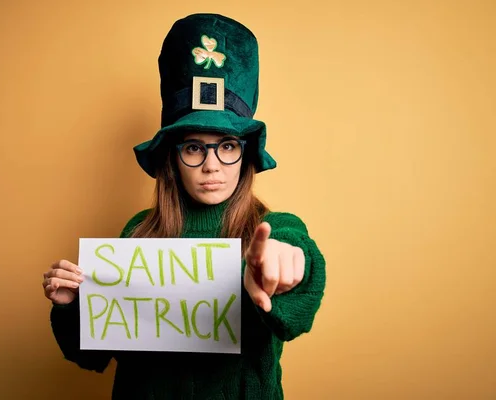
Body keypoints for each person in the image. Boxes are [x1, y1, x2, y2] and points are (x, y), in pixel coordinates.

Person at [41, 13, 326, 400]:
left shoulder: (274, 226)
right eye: (194, 147)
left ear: (245, 155)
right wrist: (72, 305)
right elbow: (90, 353)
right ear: (172, 158)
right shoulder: (138, 232)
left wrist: (287, 262)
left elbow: (297, 263)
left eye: (227, 146)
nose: (211, 164)